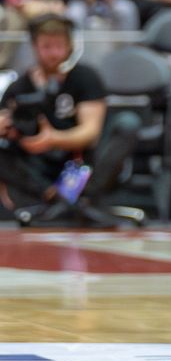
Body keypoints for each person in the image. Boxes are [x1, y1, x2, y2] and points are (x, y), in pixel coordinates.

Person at [0, 15, 142, 227]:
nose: (53, 53)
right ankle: (55, 199)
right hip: (39, 166)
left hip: (83, 162)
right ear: (34, 47)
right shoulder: (18, 87)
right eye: (46, 46)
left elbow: (90, 132)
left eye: (59, 46)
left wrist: (53, 139)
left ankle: (83, 199)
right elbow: (10, 129)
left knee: (128, 123)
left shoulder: (85, 77)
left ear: (69, 46)